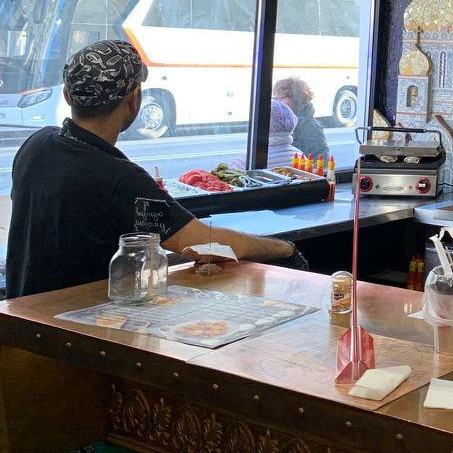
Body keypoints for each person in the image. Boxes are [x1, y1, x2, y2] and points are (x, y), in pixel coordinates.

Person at [6, 39, 305, 300]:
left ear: (67, 95)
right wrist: (284, 248)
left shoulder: (36, 145)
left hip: (20, 318)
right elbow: (206, 243)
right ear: (134, 99)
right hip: (75, 329)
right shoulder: (120, 179)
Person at [272, 76, 329, 159]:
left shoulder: (310, 127)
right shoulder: (287, 120)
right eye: (276, 98)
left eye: (281, 98)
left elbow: (321, 158)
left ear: (295, 99)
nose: (278, 102)